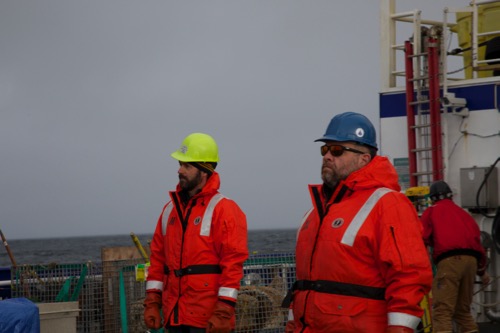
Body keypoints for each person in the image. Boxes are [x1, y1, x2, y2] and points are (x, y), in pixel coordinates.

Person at [283, 112, 433, 333]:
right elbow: (303, 285)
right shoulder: (314, 214)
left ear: (364, 158)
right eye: (325, 149)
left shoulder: (388, 204)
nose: (327, 156)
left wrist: (401, 328)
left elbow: (408, 276)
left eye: (337, 150)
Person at [143, 132, 248, 333]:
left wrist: (224, 311)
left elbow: (232, 264)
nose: (179, 170)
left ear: (204, 171)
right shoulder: (168, 211)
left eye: (187, 166)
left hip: (207, 321)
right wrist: (152, 302)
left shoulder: (225, 210)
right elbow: (157, 261)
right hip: (174, 317)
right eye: (180, 164)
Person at [421, 180, 490, 333]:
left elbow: (422, 239)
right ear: (451, 196)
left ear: (432, 198)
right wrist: (482, 271)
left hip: (450, 262)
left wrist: (422, 270)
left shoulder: (431, 211)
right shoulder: (464, 214)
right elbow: (478, 244)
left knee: (442, 311)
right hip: (472, 262)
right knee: (463, 311)